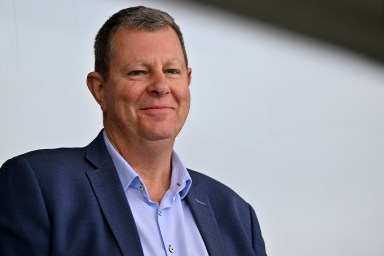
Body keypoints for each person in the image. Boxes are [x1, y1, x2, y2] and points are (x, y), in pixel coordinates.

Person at [0, 6, 267, 256]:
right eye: (138, 72)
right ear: (99, 89)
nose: (161, 86)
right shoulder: (40, 186)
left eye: (172, 71)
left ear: (188, 81)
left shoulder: (236, 216)